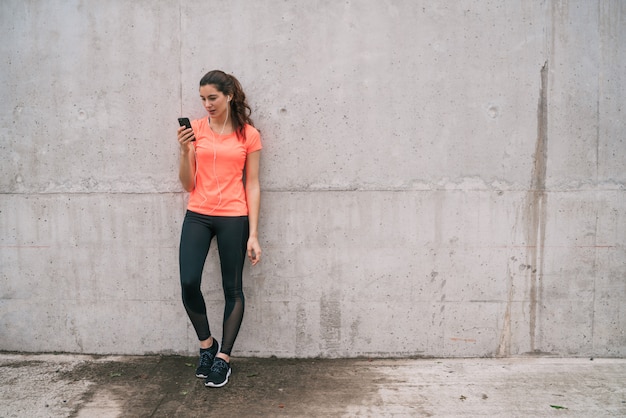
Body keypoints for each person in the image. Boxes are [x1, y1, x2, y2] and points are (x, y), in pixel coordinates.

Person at [176, 70, 262, 388]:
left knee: (233, 289)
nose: (207, 104)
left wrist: (253, 234)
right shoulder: (196, 130)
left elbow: (252, 185)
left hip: (234, 217)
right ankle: (207, 346)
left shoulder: (248, 135)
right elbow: (187, 183)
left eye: (212, 98)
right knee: (188, 282)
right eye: (202, 99)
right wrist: (186, 151)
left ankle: (223, 358)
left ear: (228, 96)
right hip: (198, 214)